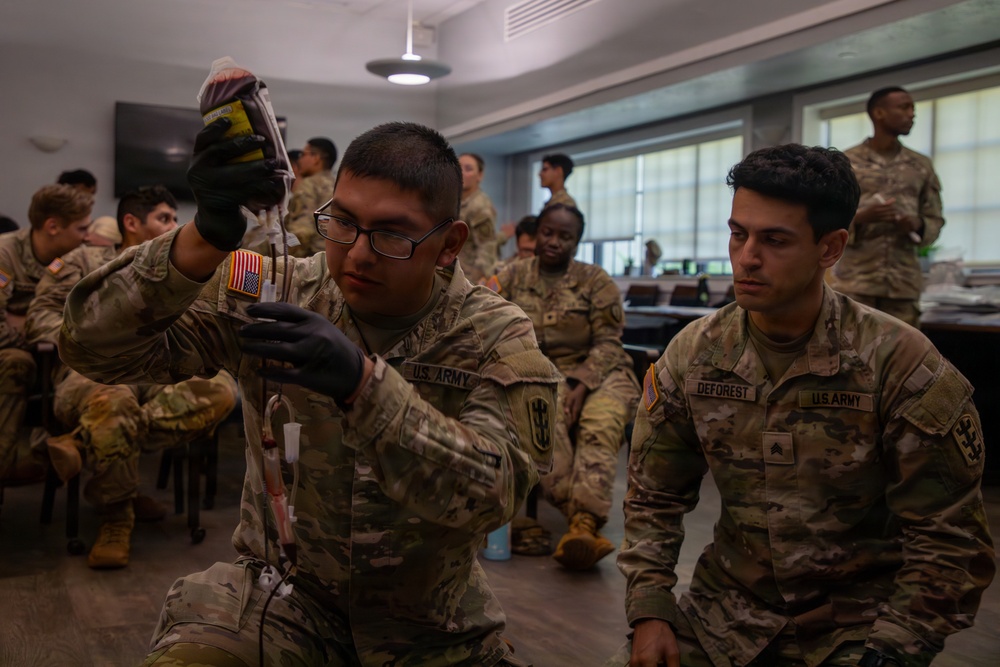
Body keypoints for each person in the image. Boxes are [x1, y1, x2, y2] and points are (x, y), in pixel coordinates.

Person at [60, 119, 559, 665]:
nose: (359, 254)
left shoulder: (496, 332)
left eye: (392, 234)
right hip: (282, 604)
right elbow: (91, 348)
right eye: (342, 222)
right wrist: (201, 238)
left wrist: (364, 388)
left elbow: (497, 493)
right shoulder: (278, 290)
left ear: (449, 244)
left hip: (433, 627)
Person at [612, 144, 994, 667]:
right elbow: (653, 495)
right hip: (727, 612)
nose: (746, 257)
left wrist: (897, 646)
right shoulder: (696, 354)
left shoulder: (898, 362)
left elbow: (950, 538)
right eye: (738, 233)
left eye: (774, 240)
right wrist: (650, 610)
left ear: (831, 247)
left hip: (859, 626)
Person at [25, 185, 238, 569]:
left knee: (220, 391)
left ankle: (81, 443)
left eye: (176, 218)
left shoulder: (182, 266)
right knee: (114, 403)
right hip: (91, 372)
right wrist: (94, 339)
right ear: (131, 222)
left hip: (160, 369)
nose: (175, 225)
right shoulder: (83, 259)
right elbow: (40, 314)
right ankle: (117, 519)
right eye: (165, 218)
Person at [488, 204, 639, 570]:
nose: (554, 242)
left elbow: (609, 342)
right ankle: (582, 523)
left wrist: (580, 383)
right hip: (537, 374)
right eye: (548, 233)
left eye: (565, 236)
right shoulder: (508, 278)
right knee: (545, 431)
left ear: (577, 242)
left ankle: (583, 523)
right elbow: (491, 329)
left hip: (601, 373)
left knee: (600, 426)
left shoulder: (595, 281)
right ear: (537, 233)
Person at [828, 86, 944, 327]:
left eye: (913, 108)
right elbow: (825, 216)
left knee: (904, 360)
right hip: (855, 283)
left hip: (903, 286)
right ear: (879, 113)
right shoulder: (846, 162)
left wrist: (917, 225)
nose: (912, 113)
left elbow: (934, 217)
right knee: (849, 357)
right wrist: (860, 218)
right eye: (904, 107)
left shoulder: (920, 165)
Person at [0, 184, 92, 483]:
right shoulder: (5, 254)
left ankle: (71, 452)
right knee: (17, 362)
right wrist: (32, 338)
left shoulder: (77, 259)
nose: (87, 236)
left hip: (57, 353)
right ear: (53, 226)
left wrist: (22, 320)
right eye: (81, 228)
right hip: (18, 355)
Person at [285, 136, 336, 257]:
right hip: (331, 258)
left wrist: (280, 257)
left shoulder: (309, 185)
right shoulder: (337, 185)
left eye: (303, 155)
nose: (300, 160)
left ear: (316, 158)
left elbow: (302, 233)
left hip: (311, 261)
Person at [456, 152, 498, 284]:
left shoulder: (479, 206)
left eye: (468, 169)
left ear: (479, 175)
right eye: (458, 167)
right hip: (453, 271)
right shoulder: (455, 201)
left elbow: (486, 249)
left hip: (466, 279)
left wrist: (472, 284)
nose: (462, 173)